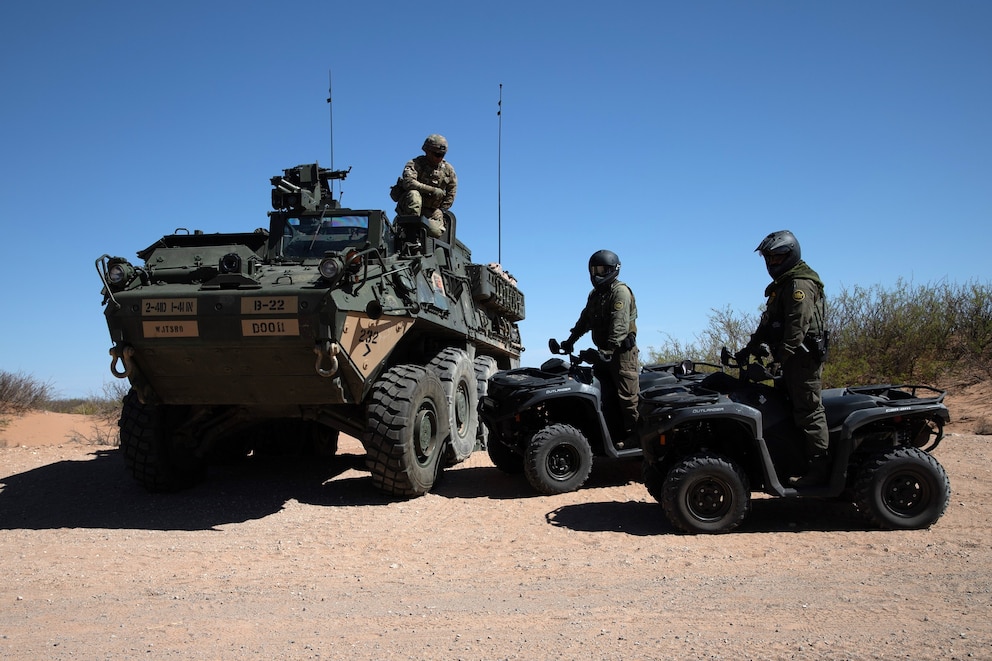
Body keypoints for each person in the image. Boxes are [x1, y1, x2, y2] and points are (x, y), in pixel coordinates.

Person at [737, 230, 830, 486]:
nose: (773, 263)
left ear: (791, 254)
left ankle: (820, 467)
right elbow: (768, 323)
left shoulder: (799, 283)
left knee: (808, 410)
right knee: (783, 409)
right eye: (769, 258)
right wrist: (749, 348)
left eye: (778, 258)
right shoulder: (783, 285)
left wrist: (780, 358)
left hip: (801, 360)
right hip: (788, 359)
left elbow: (796, 328)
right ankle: (792, 461)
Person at [560, 250, 640, 445]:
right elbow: (585, 319)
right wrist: (570, 341)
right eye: (594, 270)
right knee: (603, 395)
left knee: (627, 397)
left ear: (613, 270)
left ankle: (636, 437)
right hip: (603, 353)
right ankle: (612, 434)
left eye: (602, 270)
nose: (597, 275)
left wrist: (607, 351)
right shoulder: (596, 295)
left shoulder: (619, 292)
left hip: (622, 354)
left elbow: (619, 326)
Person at [390, 134, 458, 238]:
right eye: (436, 154)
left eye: (442, 155)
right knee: (414, 194)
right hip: (409, 207)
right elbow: (409, 182)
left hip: (431, 211)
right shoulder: (415, 163)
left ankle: (419, 229)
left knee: (436, 231)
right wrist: (432, 190)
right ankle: (410, 230)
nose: (439, 158)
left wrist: (441, 210)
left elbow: (451, 193)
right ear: (427, 151)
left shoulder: (448, 170)